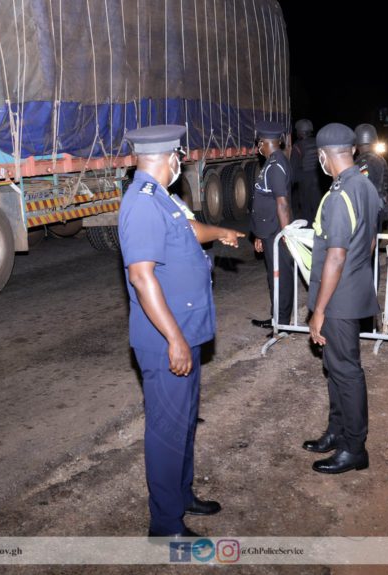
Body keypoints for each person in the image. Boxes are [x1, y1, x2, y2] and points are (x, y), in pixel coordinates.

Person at [117, 124, 244, 537]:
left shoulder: (162, 198)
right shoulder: (141, 204)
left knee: (185, 420)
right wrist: (174, 339)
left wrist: (221, 232)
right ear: (170, 159)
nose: (180, 164)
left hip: (184, 331)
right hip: (164, 340)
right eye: (180, 159)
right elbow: (141, 277)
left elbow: (189, 230)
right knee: (167, 429)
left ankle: (181, 494)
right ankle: (166, 524)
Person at [302, 123, 379, 475]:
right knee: (334, 367)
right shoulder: (364, 185)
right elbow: (371, 240)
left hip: (338, 299)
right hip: (351, 291)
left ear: (323, 156)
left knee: (346, 372)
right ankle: (337, 431)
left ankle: (354, 447)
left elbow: (335, 256)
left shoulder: (340, 195)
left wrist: (319, 310)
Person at [249, 121, 294, 329]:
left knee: (281, 276)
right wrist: (259, 234)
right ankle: (276, 316)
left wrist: (286, 233)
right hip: (268, 231)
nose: (258, 147)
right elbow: (264, 201)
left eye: (259, 143)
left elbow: (282, 202)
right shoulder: (271, 162)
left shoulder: (275, 166)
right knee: (273, 275)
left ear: (264, 143)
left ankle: (282, 323)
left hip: (277, 231)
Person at [354, 123, 388, 232]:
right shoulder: (377, 158)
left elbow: (362, 188)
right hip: (377, 206)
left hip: (369, 210)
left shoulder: (365, 162)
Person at [290, 119, 322, 223]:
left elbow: (293, 171)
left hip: (305, 184)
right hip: (318, 182)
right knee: (318, 211)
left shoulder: (297, 146)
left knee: (306, 213)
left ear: (300, 132)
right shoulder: (318, 142)